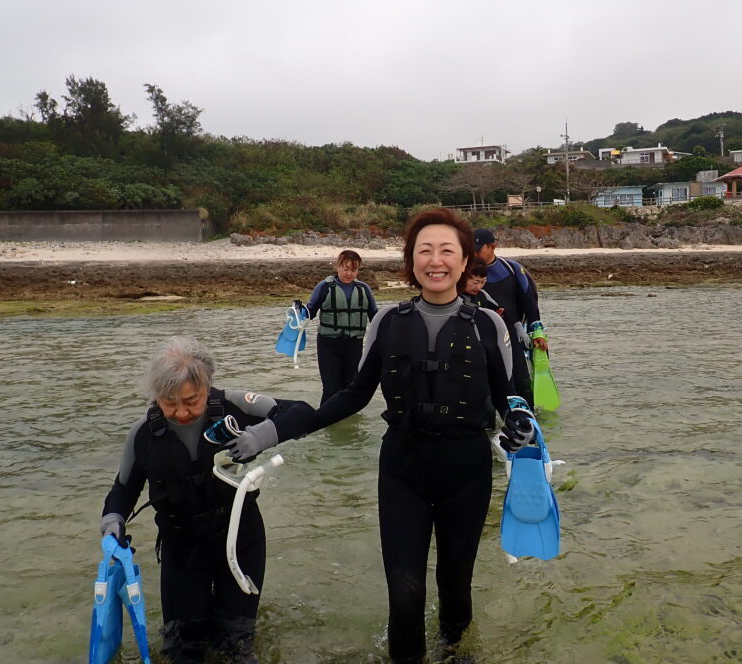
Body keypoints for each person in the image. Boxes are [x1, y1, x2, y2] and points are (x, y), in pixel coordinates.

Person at [304, 208, 533, 663]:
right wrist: (279, 426)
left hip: (467, 472)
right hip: (402, 472)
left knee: (456, 584)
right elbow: (354, 395)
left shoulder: (489, 325)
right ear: (411, 261)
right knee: (404, 592)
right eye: (424, 250)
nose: (435, 260)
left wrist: (521, 425)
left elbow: (509, 397)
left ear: (464, 261)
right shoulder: (388, 322)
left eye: (447, 250)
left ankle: (454, 651)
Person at [99, 336, 314, 664]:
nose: (180, 412)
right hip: (181, 550)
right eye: (169, 403)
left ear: (207, 385)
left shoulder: (234, 407)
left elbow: (302, 412)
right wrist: (112, 521)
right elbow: (124, 490)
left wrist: (260, 435)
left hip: (240, 545)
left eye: (191, 401)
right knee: (182, 648)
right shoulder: (143, 434)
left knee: (236, 645)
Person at [473, 227, 548, 407]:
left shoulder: (512, 269)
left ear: (492, 247)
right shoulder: (464, 272)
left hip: (512, 336)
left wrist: (537, 333)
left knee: (522, 385)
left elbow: (530, 302)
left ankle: (530, 420)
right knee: (485, 391)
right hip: (479, 340)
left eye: (477, 250)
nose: (472, 254)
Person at [305, 250, 379, 406]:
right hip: (328, 346)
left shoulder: (364, 289)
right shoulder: (324, 287)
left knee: (350, 389)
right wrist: (297, 312)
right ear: (338, 266)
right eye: (346, 269)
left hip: (354, 346)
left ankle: (348, 421)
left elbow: (376, 318)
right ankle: (323, 419)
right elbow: (309, 312)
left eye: (353, 269)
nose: (349, 273)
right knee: (331, 389)